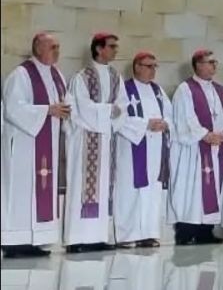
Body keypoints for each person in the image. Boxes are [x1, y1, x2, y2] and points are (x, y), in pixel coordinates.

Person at [1, 32, 69, 259]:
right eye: (53, 47)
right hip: (24, 147)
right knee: (23, 193)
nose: (57, 51)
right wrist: (47, 110)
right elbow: (12, 108)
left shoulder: (56, 75)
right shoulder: (21, 74)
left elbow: (64, 104)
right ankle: (16, 242)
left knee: (40, 192)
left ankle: (37, 240)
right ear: (38, 48)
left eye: (58, 47)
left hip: (47, 143)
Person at [64, 32, 129, 253]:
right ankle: (78, 239)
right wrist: (109, 110)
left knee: (102, 189)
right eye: (111, 46)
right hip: (86, 140)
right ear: (99, 49)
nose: (115, 50)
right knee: (83, 187)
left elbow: (123, 105)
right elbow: (83, 108)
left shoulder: (115, 76)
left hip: (106, 139)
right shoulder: (82, 77)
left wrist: (113, 115)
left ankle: (99, 237)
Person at [168, 48, 223, 245]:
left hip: (215, 148)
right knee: (191, 191)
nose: (214, 66)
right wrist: (205, 135)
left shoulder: (220, 90)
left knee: (212, 190)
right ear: (198, 65)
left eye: (215, 62)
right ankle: (186, 232)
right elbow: (184, 118)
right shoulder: (185, 89)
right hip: (194, 150)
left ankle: (206, 231)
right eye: (210, 62)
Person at [114, 50, 172, 248]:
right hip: (132, 149)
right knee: (131, 192)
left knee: (151, 193)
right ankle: (127, 235)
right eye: (149, 66)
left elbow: (171, 114)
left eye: (155, 66)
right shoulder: (124, 89)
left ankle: (149, 233)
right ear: (137, 67)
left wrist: (165, 123)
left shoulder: (158, 91)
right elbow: (118, 118)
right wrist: (145, 124)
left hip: (155, 150)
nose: (153, 70)